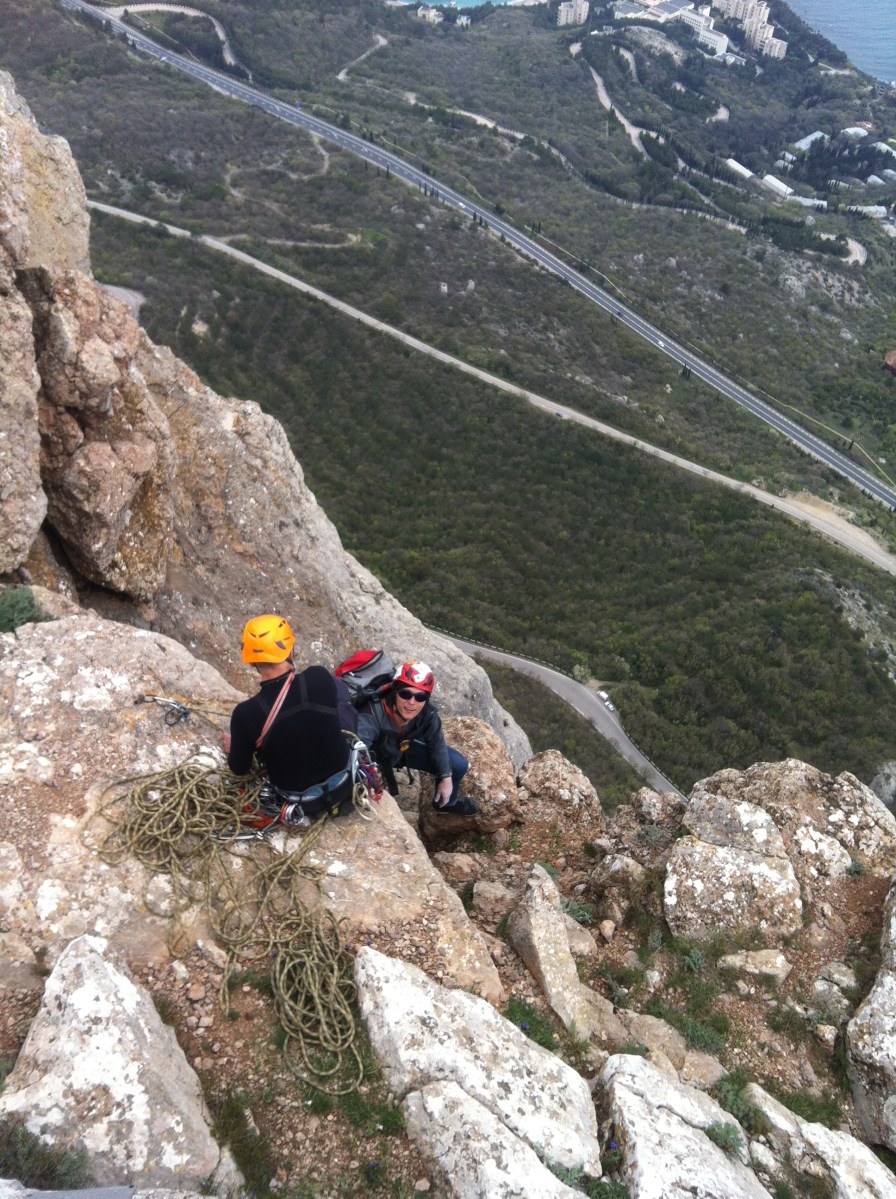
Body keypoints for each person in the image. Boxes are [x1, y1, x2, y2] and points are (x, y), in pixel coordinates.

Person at [223, 614, 358, 822]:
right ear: (291, 650)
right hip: (345, 782)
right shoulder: (319, 677)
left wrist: (236, 747)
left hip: (300, 802)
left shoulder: (245, 714)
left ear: (251, 662)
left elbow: (239, 768)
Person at [356, 661, 477, 815]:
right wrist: (371, 776)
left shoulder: (427, 713)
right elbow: (357, 753)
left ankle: (446, 804)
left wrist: (445, 777)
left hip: (403, 749)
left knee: (458, 765)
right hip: (378, 755)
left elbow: (436, 743)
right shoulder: (371, 715)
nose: (411, 703)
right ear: (395, 691)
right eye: (405, 694)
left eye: (420, 696)